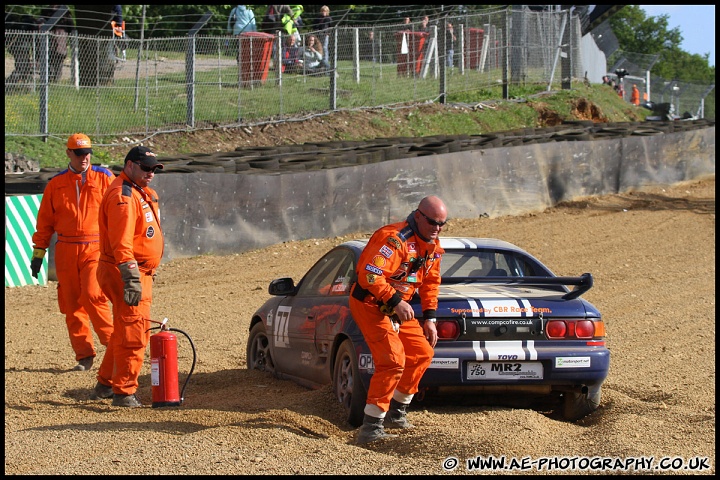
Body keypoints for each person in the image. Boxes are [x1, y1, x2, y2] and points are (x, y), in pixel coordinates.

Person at [349, 196, 447, 445]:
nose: (437, 228)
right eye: (433, 222)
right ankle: (371, 426)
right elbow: (369, 276)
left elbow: (431, 284)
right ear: (418, 216)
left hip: (396, 306)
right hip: (371, 304)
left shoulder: (432, 247)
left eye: (442, 224)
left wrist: (430, 318)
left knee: (422, 353)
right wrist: (395, 302)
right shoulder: (393, 239)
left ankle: (397, 411)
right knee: (392, 361)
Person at [30, 134, 115, 371]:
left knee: (91, 295)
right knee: (71, 304)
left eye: (87, 152)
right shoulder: (55, 185)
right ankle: (84, 355)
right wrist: (38, 253)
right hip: (66, 248)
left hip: (96, 245)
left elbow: (120, 211)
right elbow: (45, 222)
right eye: (79, 153)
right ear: (68, 153)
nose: (84, 157)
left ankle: (113, 344)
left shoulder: (105, 177)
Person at [92, 146, 165, 407]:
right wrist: (131, 276)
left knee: (125, 327)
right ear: (130, 165)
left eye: (154, 169)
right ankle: (123, 392)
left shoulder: (139, 192)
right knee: (134, 331)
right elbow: (121, 242)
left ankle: (105, 383)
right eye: (146, 168)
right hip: (126, 271)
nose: (151, 173)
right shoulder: (123, 196)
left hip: (134, 270)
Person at [38, 5, 74, 82]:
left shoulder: (65, 12)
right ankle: (48, 81)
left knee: (58, 61)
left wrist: (73, 42)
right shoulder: (46, 11)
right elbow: (41, 23)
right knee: (48, 61)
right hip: (49, 40)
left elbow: (71, 27)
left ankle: (56, 82)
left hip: (61, 40)